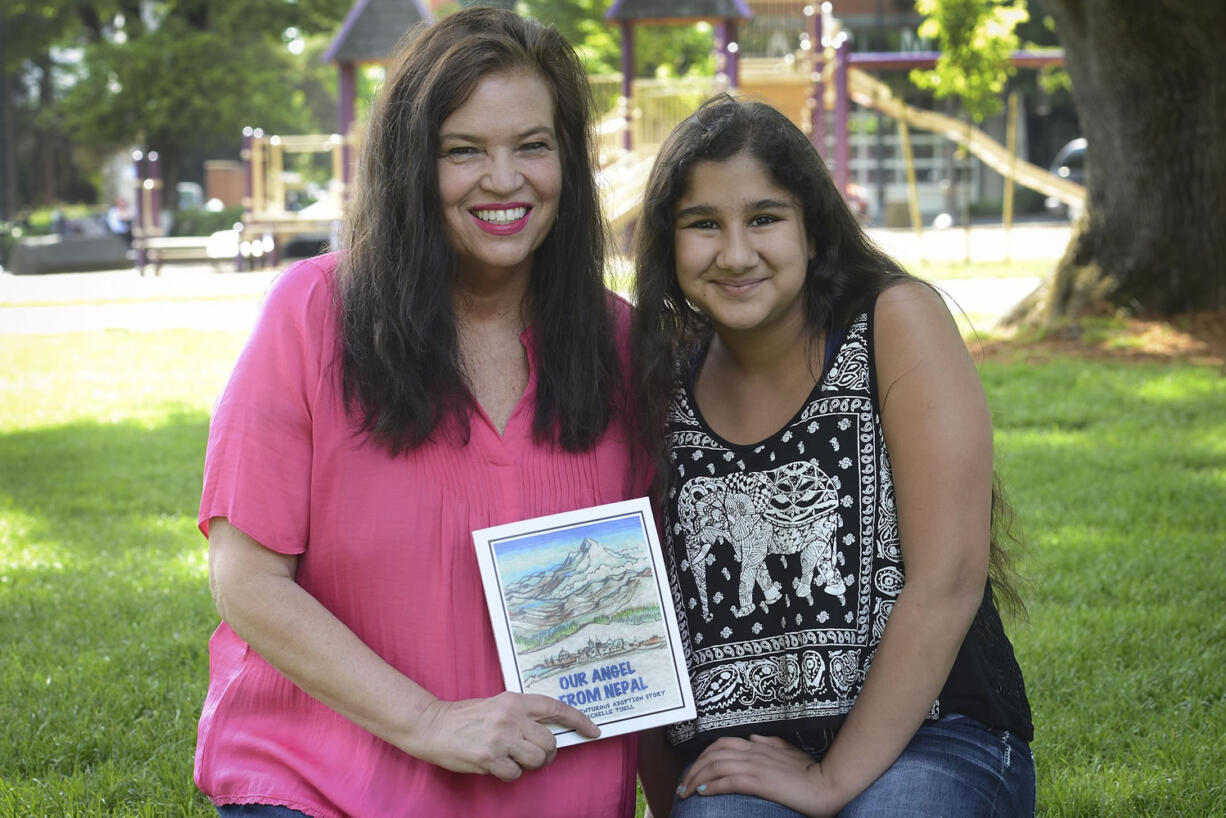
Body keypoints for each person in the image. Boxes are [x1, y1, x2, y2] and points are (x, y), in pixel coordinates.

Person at [196, 9, 646, 817]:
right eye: (463, 150)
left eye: (532, 146)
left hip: (552, 791)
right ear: (412, 164)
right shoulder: (311, 312)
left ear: (568, 164)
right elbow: (248, 581)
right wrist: (427, 721)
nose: (503, 180)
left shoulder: (623, 343)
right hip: (322, 781)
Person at [630, 94, 1034, 817]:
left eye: (764, 218)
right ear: (669, 242)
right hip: (744, 758)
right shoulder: (659, 378)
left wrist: (827, 781)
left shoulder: (893, 322)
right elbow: (646, 617)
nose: (735, 253)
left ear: (812, 228)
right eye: (702, 225)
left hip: (936, 738)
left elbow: (949, 578)